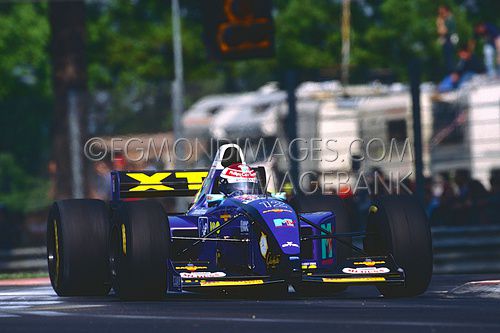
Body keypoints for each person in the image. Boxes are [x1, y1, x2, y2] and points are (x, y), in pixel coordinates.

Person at [436, 5, 458, 74]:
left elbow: (444, 31)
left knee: (450, 57)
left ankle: (453, 72)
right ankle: (450, 72)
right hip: (446, 39)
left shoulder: (449, 18)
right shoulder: (443, 19)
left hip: (450, 38)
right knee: (447, 57)